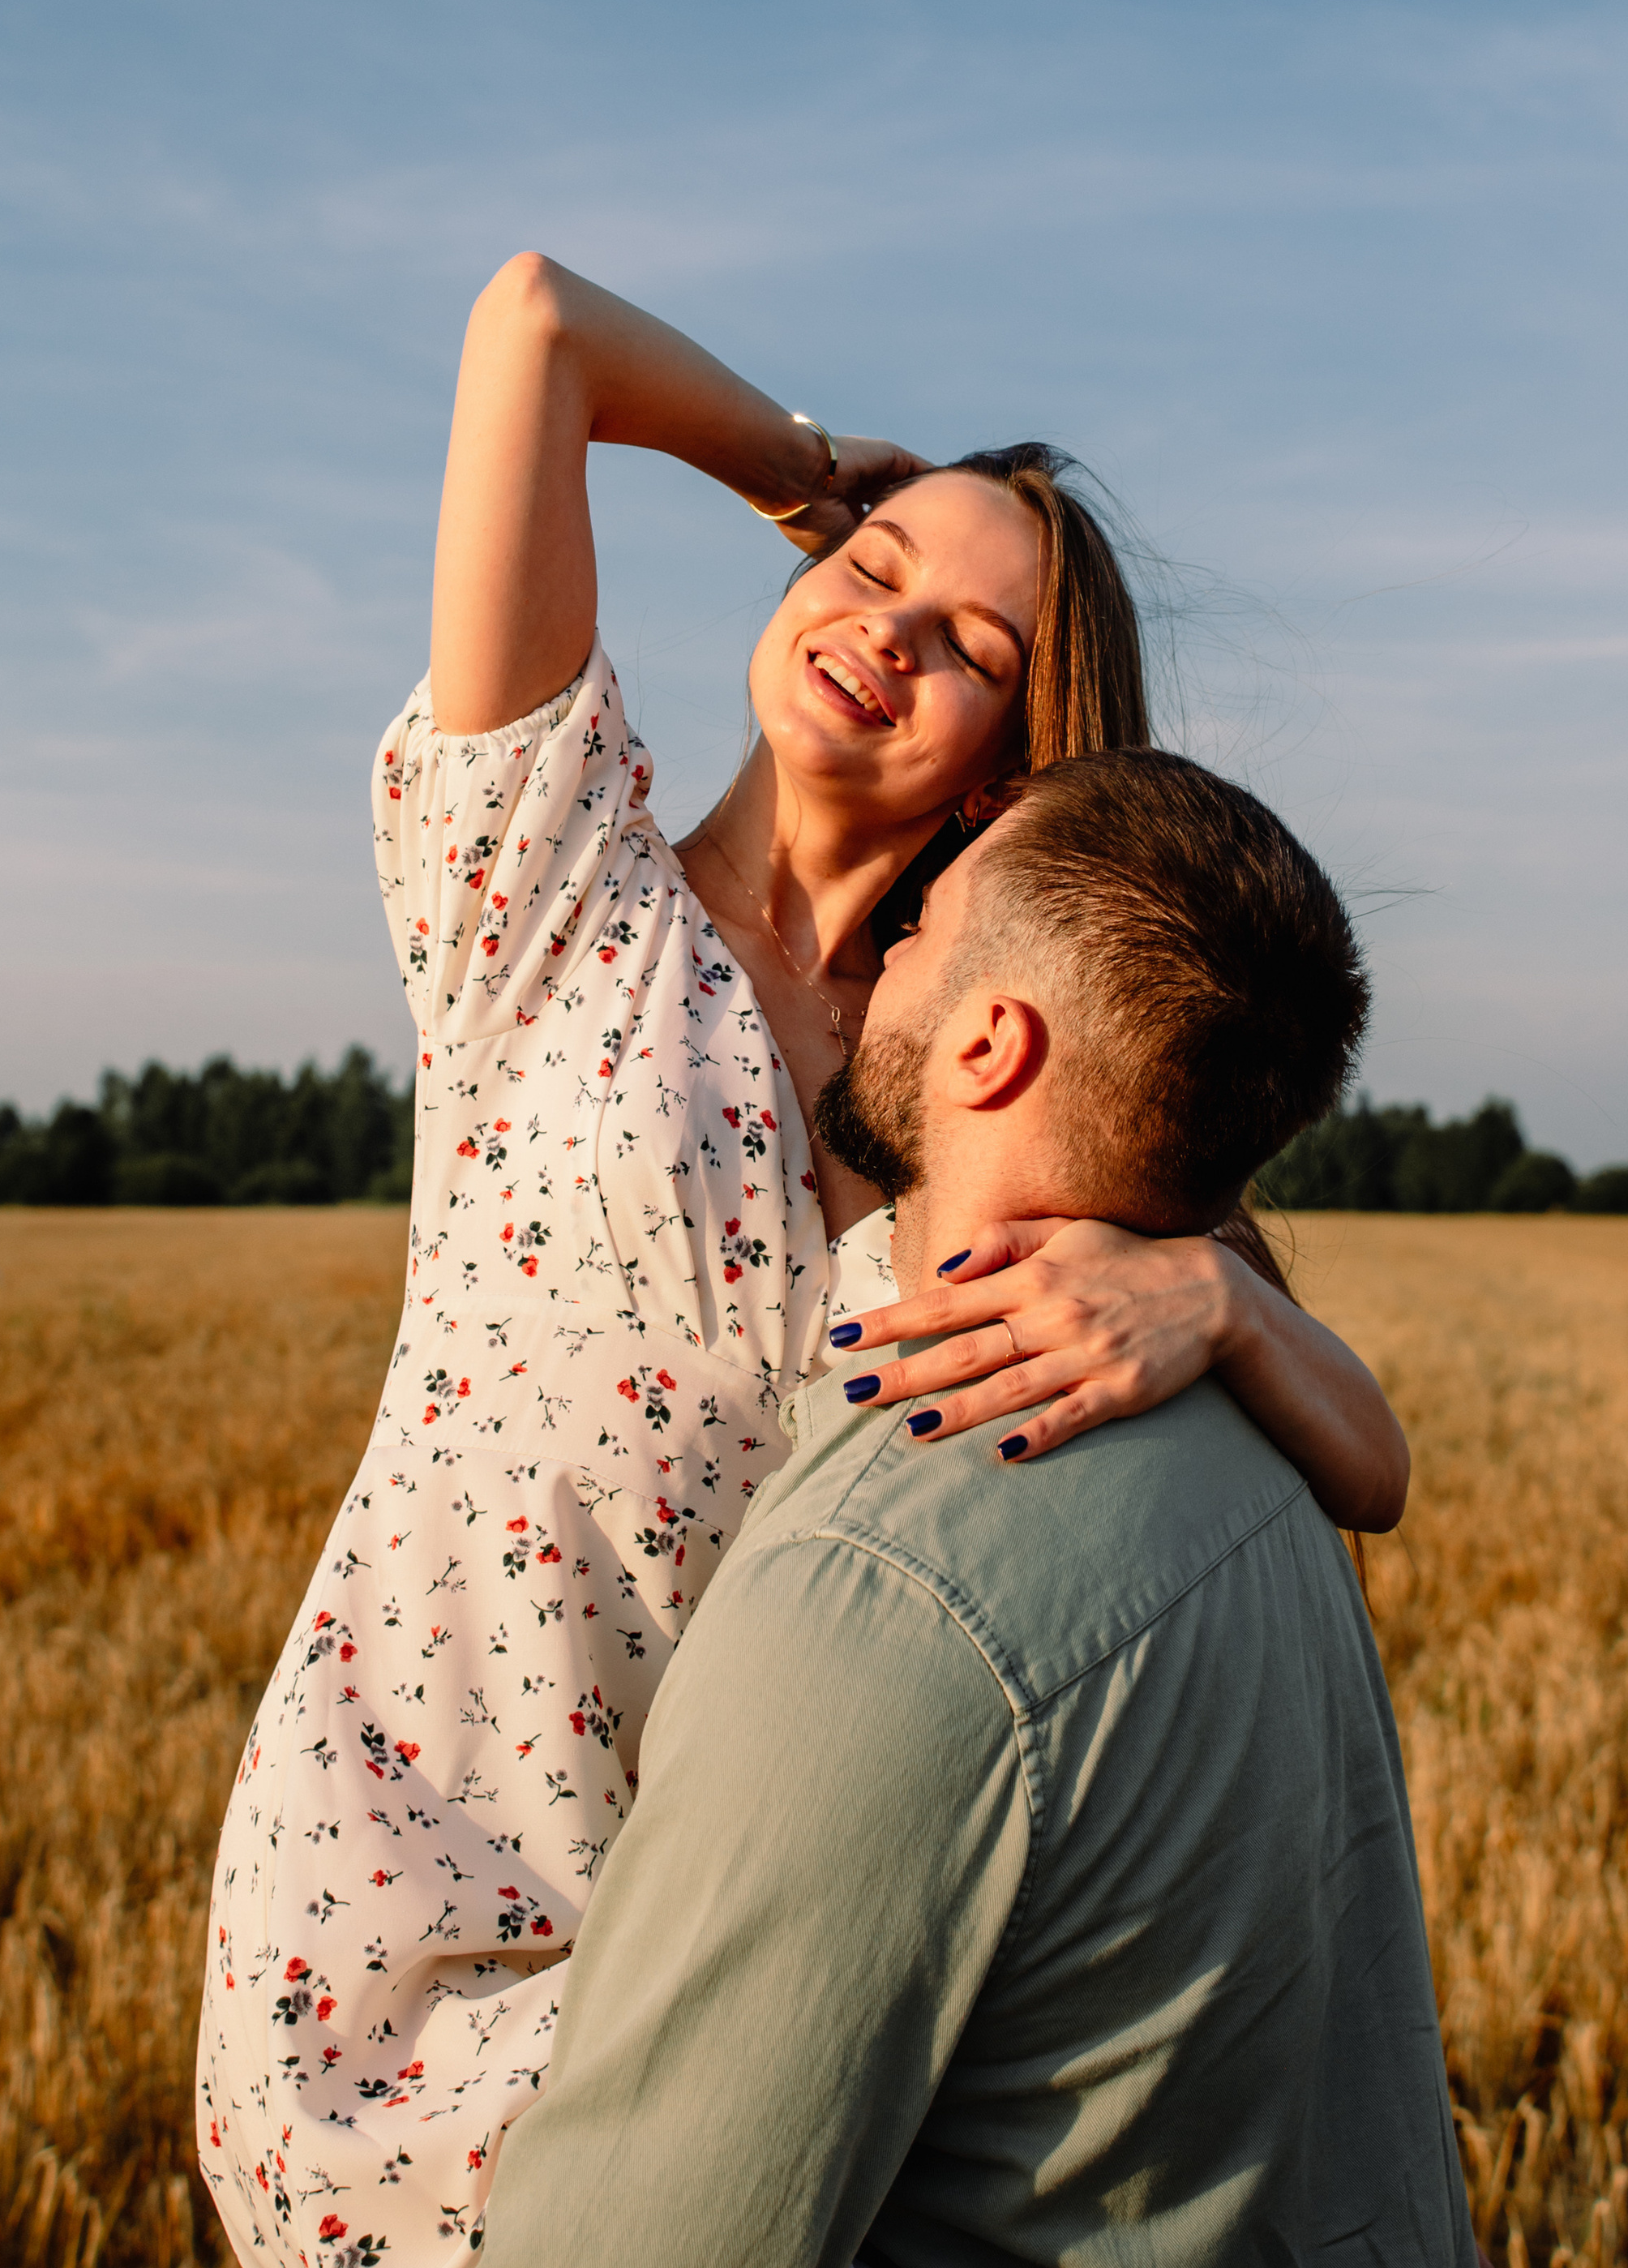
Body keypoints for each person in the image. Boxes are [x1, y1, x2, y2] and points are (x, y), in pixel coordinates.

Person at [195, 259, 1412, 2266]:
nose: (886, 626)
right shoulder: (558, 892)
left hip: (714, 1962)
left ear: (1012, 770)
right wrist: (811, 474)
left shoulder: (984, 1084)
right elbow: (533, 332)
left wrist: (1215, 1296)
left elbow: (1365, 1470)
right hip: (377, 1933)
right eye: (873, 569)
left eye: (967, 639)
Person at [478, 748, 1477, 2268]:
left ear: (990, 1044)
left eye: (929, 926)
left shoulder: (880, 1590)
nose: (887, 947)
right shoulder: (1258, 1451)